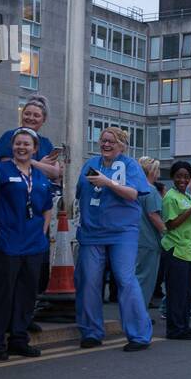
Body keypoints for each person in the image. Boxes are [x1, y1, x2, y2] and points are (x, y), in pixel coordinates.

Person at [74, 127, 154, 352]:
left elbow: (133, 194)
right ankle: (91, 332)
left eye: (111, 141)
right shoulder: (90, 164)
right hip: (92, 232)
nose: (106, 144)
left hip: (122, 232)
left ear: (122, 145)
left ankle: (139, 335)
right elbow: (80, 193)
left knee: (125, 279)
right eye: (103, 140)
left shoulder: (131, 165)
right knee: (89, 281)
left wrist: (108, 183)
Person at [0, 127, 52, 359]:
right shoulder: (0, 170)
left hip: (33, 245)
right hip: (7, 243)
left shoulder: (39, 176)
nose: (21, 148)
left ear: (35, 149)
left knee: (26, 295)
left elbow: (47, 208)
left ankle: (19, 339)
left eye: (26, 144)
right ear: (12, 146)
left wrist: (43, 232)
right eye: (18, 143)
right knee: (2, 295)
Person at [160, 161, 191, 340]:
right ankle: (175, 329)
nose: (182, 180)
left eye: (186, 176)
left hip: (188, 250)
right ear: (172, 177)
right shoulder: (170, 197)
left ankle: (184, 325)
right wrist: (190, 212)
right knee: (176, 293)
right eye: (179, 176)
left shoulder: (186, 196)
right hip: (176, 249)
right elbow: (170, 224)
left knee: (186, 293)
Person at [135, 158, 166, 311]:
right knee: (146, 279)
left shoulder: (135, 188)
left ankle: (133, 312)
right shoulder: (151, 190)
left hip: (136, 238)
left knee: (136, 277)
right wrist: (167, 233)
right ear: (152, 171)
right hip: (149, 240)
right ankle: (139, 314)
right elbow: (154, 215)